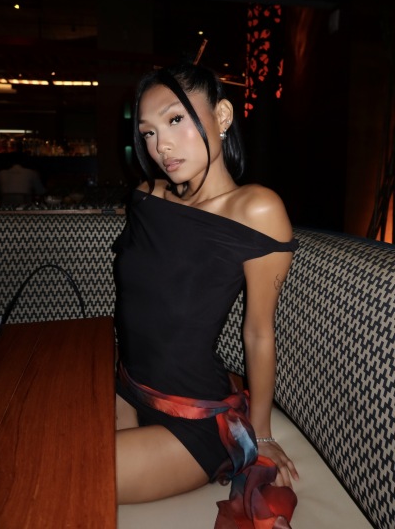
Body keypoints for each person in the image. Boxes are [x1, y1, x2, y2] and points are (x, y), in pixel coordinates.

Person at [113, 63, 299, 527]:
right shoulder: (147, 197)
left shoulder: (256, 209)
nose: (161, 146)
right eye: (149, 132)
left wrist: (261, 433)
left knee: (65, 470)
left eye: (175, 120)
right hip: (126, 385)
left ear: (222, 116)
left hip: (195, 420)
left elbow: (258, 331)